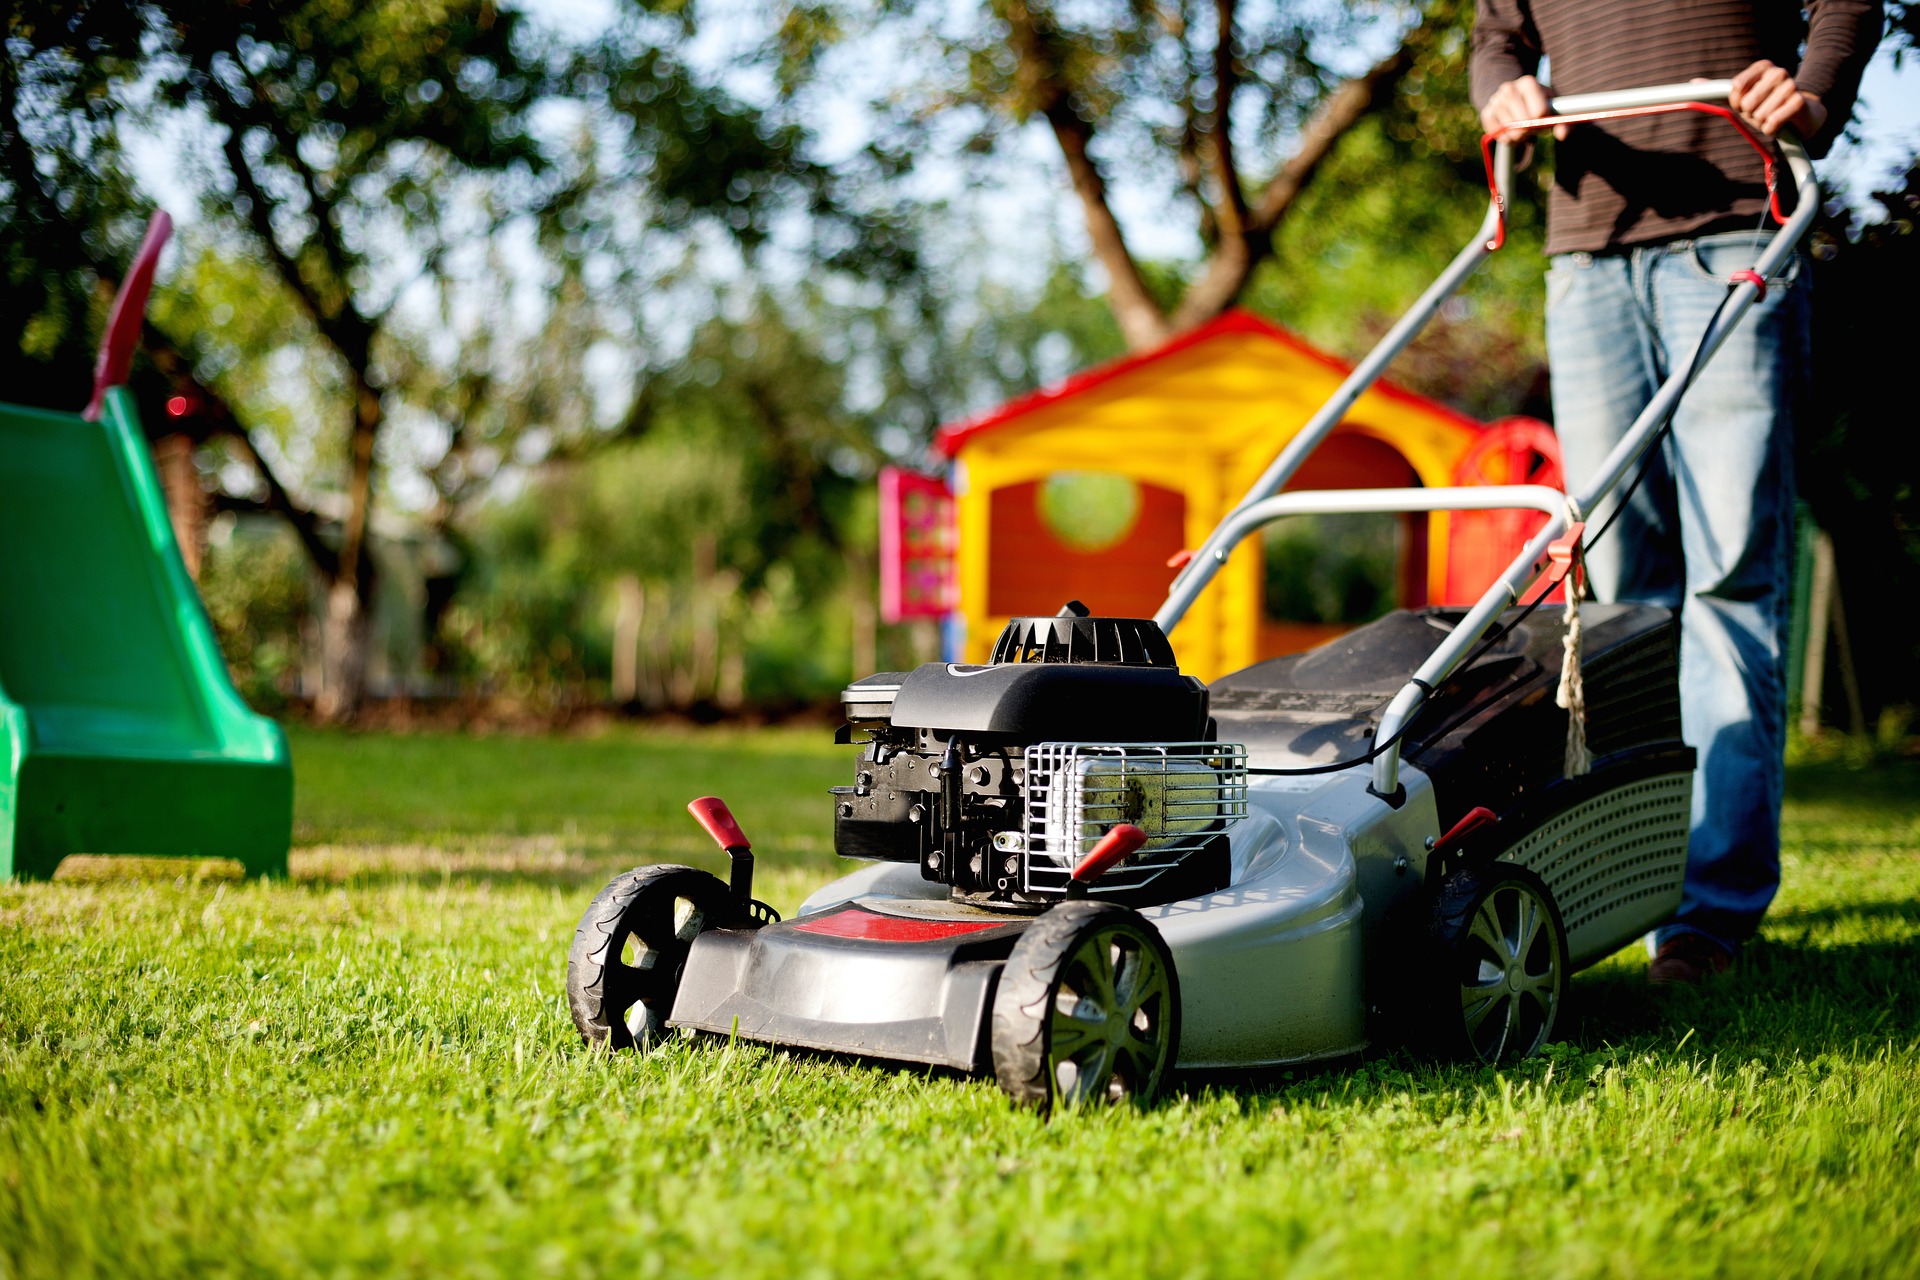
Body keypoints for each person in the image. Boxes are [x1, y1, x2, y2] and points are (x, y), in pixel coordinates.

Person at [1470, 0, 1883, 984]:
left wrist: (1814, 92)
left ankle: (1708, 913)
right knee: (1620, 598)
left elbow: (1849, 3)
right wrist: (1503, 96)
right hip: (1587, 251)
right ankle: (1628, 882)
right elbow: (1497, 38)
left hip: (1740, 224)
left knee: (1736, 574)